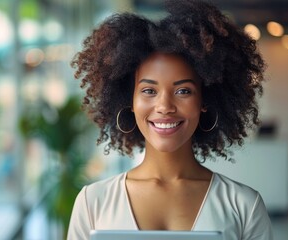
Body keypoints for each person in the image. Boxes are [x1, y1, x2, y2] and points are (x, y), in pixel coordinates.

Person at [67, 0, 273, 239]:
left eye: (183, 91)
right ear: (129, 100)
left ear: (205, 100)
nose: (164, 107)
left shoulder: (244, 206)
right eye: (149, 91)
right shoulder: (93, 203)